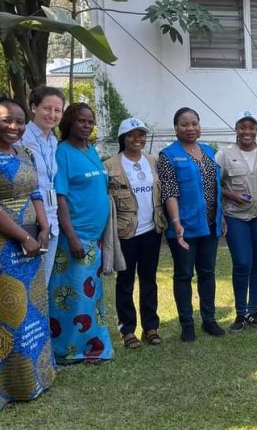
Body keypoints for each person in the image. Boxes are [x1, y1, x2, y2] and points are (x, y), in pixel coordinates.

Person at [0, 97, 56, 414]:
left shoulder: (25, 152)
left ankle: (35, 379)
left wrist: (44, 228)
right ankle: (0, 390)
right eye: (7, 120)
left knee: (31, 309)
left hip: (31, 244)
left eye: (19, 121)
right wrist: (22, 236)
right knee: (3, 313)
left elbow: (35, 192)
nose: (14, 126)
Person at [50, 103, 113, 364]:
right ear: (68, 123)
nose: (86, 125)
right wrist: (73, 236)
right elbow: (61, 198)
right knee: (74, 297)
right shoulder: (62, 152)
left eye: (90, 121)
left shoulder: (91, 151)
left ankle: (91, 343)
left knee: (92, 295)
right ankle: (71, 350)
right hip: (75, 238)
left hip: (94, 237)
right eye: (81, 121)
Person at [157, 107, 225, 342]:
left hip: (210, 225)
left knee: (207, 273)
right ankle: (187, 324)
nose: (190, 128)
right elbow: (170, 192)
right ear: (176, 128)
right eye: (184, 124)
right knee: (184, 274)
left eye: (194, 123)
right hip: (184, 227)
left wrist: (222, 217)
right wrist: (176, 223)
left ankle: (209, 319)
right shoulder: (168, 155)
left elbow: (216, 187)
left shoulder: (208, 151)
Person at [105, 117, 166, 348]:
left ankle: (151, 327)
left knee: (149, 280)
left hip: (152, 229)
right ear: (123, 138)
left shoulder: (153, 161)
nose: (137, 139)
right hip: (126, 232)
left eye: (141, 134)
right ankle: (127, 330)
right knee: (125, 281)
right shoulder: (110, 165)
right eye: (132, 135)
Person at [215, 110, 257, 333]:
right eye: (243, 127)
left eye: (251, 127)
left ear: (256, 130)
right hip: (236, 216)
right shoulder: (224, 154)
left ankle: (253, 310)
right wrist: (232, 196)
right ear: (237, 130)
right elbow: (214, 184)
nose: (247, 131)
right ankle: (240, 313)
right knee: (242, 263)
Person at [20, 86, 64, 285]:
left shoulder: (53, 141)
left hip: (51, 220)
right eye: (47, 108)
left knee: (41, 285)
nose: (52, 115)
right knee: (26, 283)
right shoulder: (21, 139)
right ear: (33, 107)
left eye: (57, 110)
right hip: (28, 222)